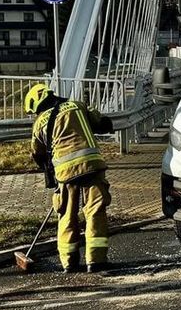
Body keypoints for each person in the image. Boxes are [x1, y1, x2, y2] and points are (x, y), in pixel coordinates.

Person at [25, 83, 114, 274]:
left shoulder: (40, 122)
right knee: (95, 212)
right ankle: (96, 262)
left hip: (65, 173)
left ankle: (69, 262)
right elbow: (102, 123)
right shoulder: (77, 105)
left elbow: (37, 153)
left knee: (66, 215)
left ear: (35, 105)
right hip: (92, 165)